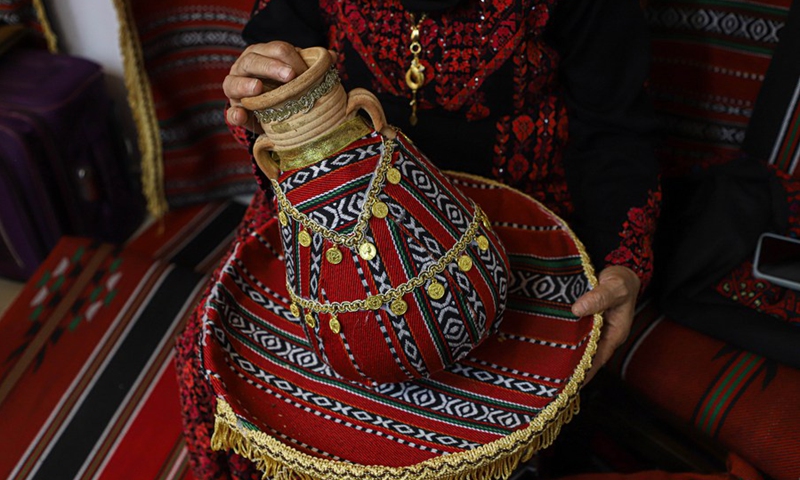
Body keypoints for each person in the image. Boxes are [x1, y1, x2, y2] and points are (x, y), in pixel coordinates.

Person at [176, 0, 661, 477]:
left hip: (507, 216)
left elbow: (614, 128)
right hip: (331, 199)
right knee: (221, 361)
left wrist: (622, 257)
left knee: (499, 417)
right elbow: (278, 53)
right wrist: (265, 95)